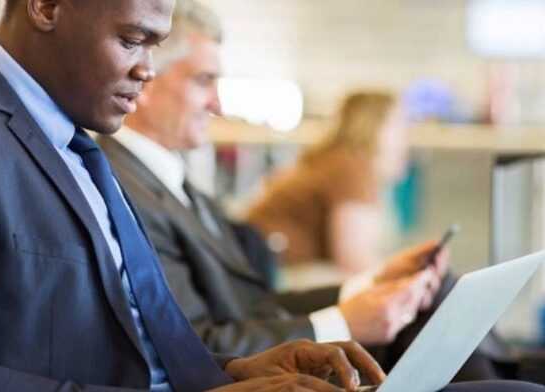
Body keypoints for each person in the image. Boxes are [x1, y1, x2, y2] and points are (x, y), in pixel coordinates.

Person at [0, 0, 397, 391]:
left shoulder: (76, 146)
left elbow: (125, 352)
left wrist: (235, 372)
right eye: (131, 40)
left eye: (153, 46)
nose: (147, 70)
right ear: (45, 7)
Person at [97, 1, 543, 391]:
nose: (218, 103)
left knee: (436, 296)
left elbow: (256, 305)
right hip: (270, 371)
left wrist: (366, 285)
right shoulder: (124, 187)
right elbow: (194, 341)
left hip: (283, 346)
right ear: (148, 81)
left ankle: (514, 369)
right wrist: (344, 321)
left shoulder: (176, 184)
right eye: (203, 81)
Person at [246, 91, 408, 274]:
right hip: (278, 275)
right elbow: (353, 259)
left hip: (263, 267)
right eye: (397, 125)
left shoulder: (334, 159)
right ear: (374, 126)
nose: (405, 137)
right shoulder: (349, 167)